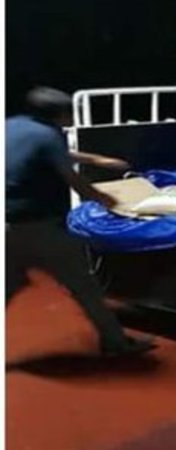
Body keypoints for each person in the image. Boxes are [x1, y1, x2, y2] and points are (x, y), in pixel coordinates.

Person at [6, 87, 156, 358]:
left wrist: (97, 160)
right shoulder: (48, 135)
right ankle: (116, 343)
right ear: (59, 114)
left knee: (8, 285)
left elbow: (47, 152)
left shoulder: (12, 126)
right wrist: (107, 200)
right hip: (38, 227)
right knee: (84, 286)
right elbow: (72, 178)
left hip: (7, 225)